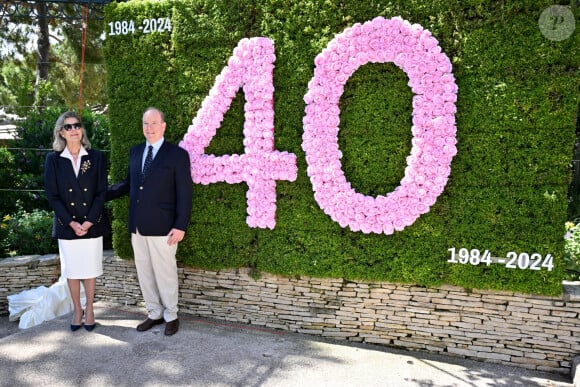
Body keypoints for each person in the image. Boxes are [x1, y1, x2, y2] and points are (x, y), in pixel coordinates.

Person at [107, 107, 193, 336]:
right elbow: (129, 184)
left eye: (154, 123)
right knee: (144, 273)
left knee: (165, 273)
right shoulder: (136, 152)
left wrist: (180, 225)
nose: (149, 128)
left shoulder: (177, 155)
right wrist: (101, 194)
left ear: (163, 125)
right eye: (146, 124)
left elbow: (185, 194)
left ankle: (171, 315)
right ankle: (154, 313)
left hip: (164, 228)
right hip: (138, 226)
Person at [44, 111, 109, 332]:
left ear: (82, 130)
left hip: (92, 223)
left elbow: (101, 192)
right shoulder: (53, 160)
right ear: (61, 132)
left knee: (89, 270)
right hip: (66, 224)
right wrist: (71, 223)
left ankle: (90, 309)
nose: (73, 130)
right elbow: (52, 195)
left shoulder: (96, 157)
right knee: (72, 271)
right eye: (68, 126)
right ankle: (77, 310)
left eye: (76, 125)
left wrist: (89, 222)